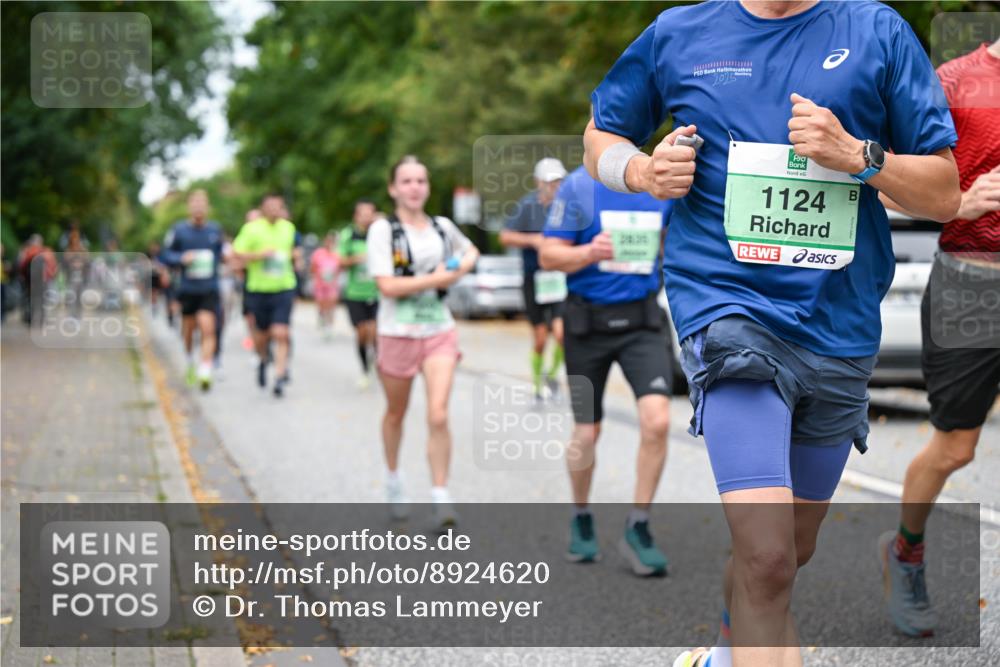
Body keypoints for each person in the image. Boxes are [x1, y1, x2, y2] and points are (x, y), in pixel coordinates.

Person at [583, 1, 962, 665]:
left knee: (789, 548)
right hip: (726, 306)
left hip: (837, 322)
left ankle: (725, 654)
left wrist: (858, 155)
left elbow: (944, 192)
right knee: (767, 553)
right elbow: (599, 136)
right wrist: (641, 171)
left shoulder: (876, 31)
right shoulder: (681, 32)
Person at [878, 37, 1000, 639]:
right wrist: (957, 205)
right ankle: (905, 550)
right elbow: (886, 179)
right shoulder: (951, 80)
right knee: (956, 449)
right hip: (972, 284)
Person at [540, 166, 674, 576]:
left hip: (643, 324)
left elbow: (675, 239)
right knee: (587, 432)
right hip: (586, 325)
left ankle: (639, 525)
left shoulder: (660, 178)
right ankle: (581, 516)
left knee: (657, 422)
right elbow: (549, 255)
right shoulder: (579, 186)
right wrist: (589, 253)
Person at [367, 155, 479, 527]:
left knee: (438, 413)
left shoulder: (442, 227)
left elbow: (470, 251)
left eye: (421, 181)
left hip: (438, 330)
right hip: (396, 333)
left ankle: (440, 496)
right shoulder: (383, 231)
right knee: (396, 413)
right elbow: (388, 286)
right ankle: (394, 478)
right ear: (393, 188)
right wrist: (436, 279)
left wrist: (458, 268)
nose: (415, 187)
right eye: (407, 181)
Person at [500, 158, 568, 403]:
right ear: (538, 182)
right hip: (534, 279)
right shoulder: (526, 206)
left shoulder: (568, 206)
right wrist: (533, 240)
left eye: (559, 181)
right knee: (540, 337)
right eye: (550, 181)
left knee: (561, 334)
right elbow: (505, 237)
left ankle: (552, 374)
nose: (555, 186)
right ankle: (538, 382)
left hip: (560, 278)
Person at [232, 195, 301, 398]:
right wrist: (260, 255)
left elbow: (295, 250)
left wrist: (296, 255)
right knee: (261, 336)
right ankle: (263, 359)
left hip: (284, 287)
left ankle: (279, 377)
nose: (273, 210)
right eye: (269, 207)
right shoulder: (252, 228)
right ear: (262, 209)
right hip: (258, 289)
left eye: (277, 207)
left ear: (281, 209)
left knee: (281, 332)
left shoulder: (289, 228)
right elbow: (237, 253)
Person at [160, 190, 224, 391]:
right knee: (188, 330)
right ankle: (189, 360)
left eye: (202, 203)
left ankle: (205, 369)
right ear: (189, 206)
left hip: (209, 288)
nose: (198, 206)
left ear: (207, 207)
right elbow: (165, 255)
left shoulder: (215, 230)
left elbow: (222, 254)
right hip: (187, 289)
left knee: (208, 328)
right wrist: (181, 258)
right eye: (194, 203)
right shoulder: (179, 230)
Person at [339, 198, 381, 388]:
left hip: (377, 292)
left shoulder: (380, 233)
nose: (366, 218)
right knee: (363, 332)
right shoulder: (349, 235)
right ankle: (364, 368)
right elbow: (340, 261)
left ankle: (380, 364)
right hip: (355, 293)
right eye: (362, 214)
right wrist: (358, 259)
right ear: (356, 216)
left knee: (376, 331)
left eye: (370, 214)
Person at [310, 231, 341, 339]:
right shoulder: (318, 253)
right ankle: (321, 317)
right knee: (322, 305)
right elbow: (312, 268)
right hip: (320, 285)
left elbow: (340, 268)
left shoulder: (337, 254)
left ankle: (329, 327)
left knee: (331, 306)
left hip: (332, 285)